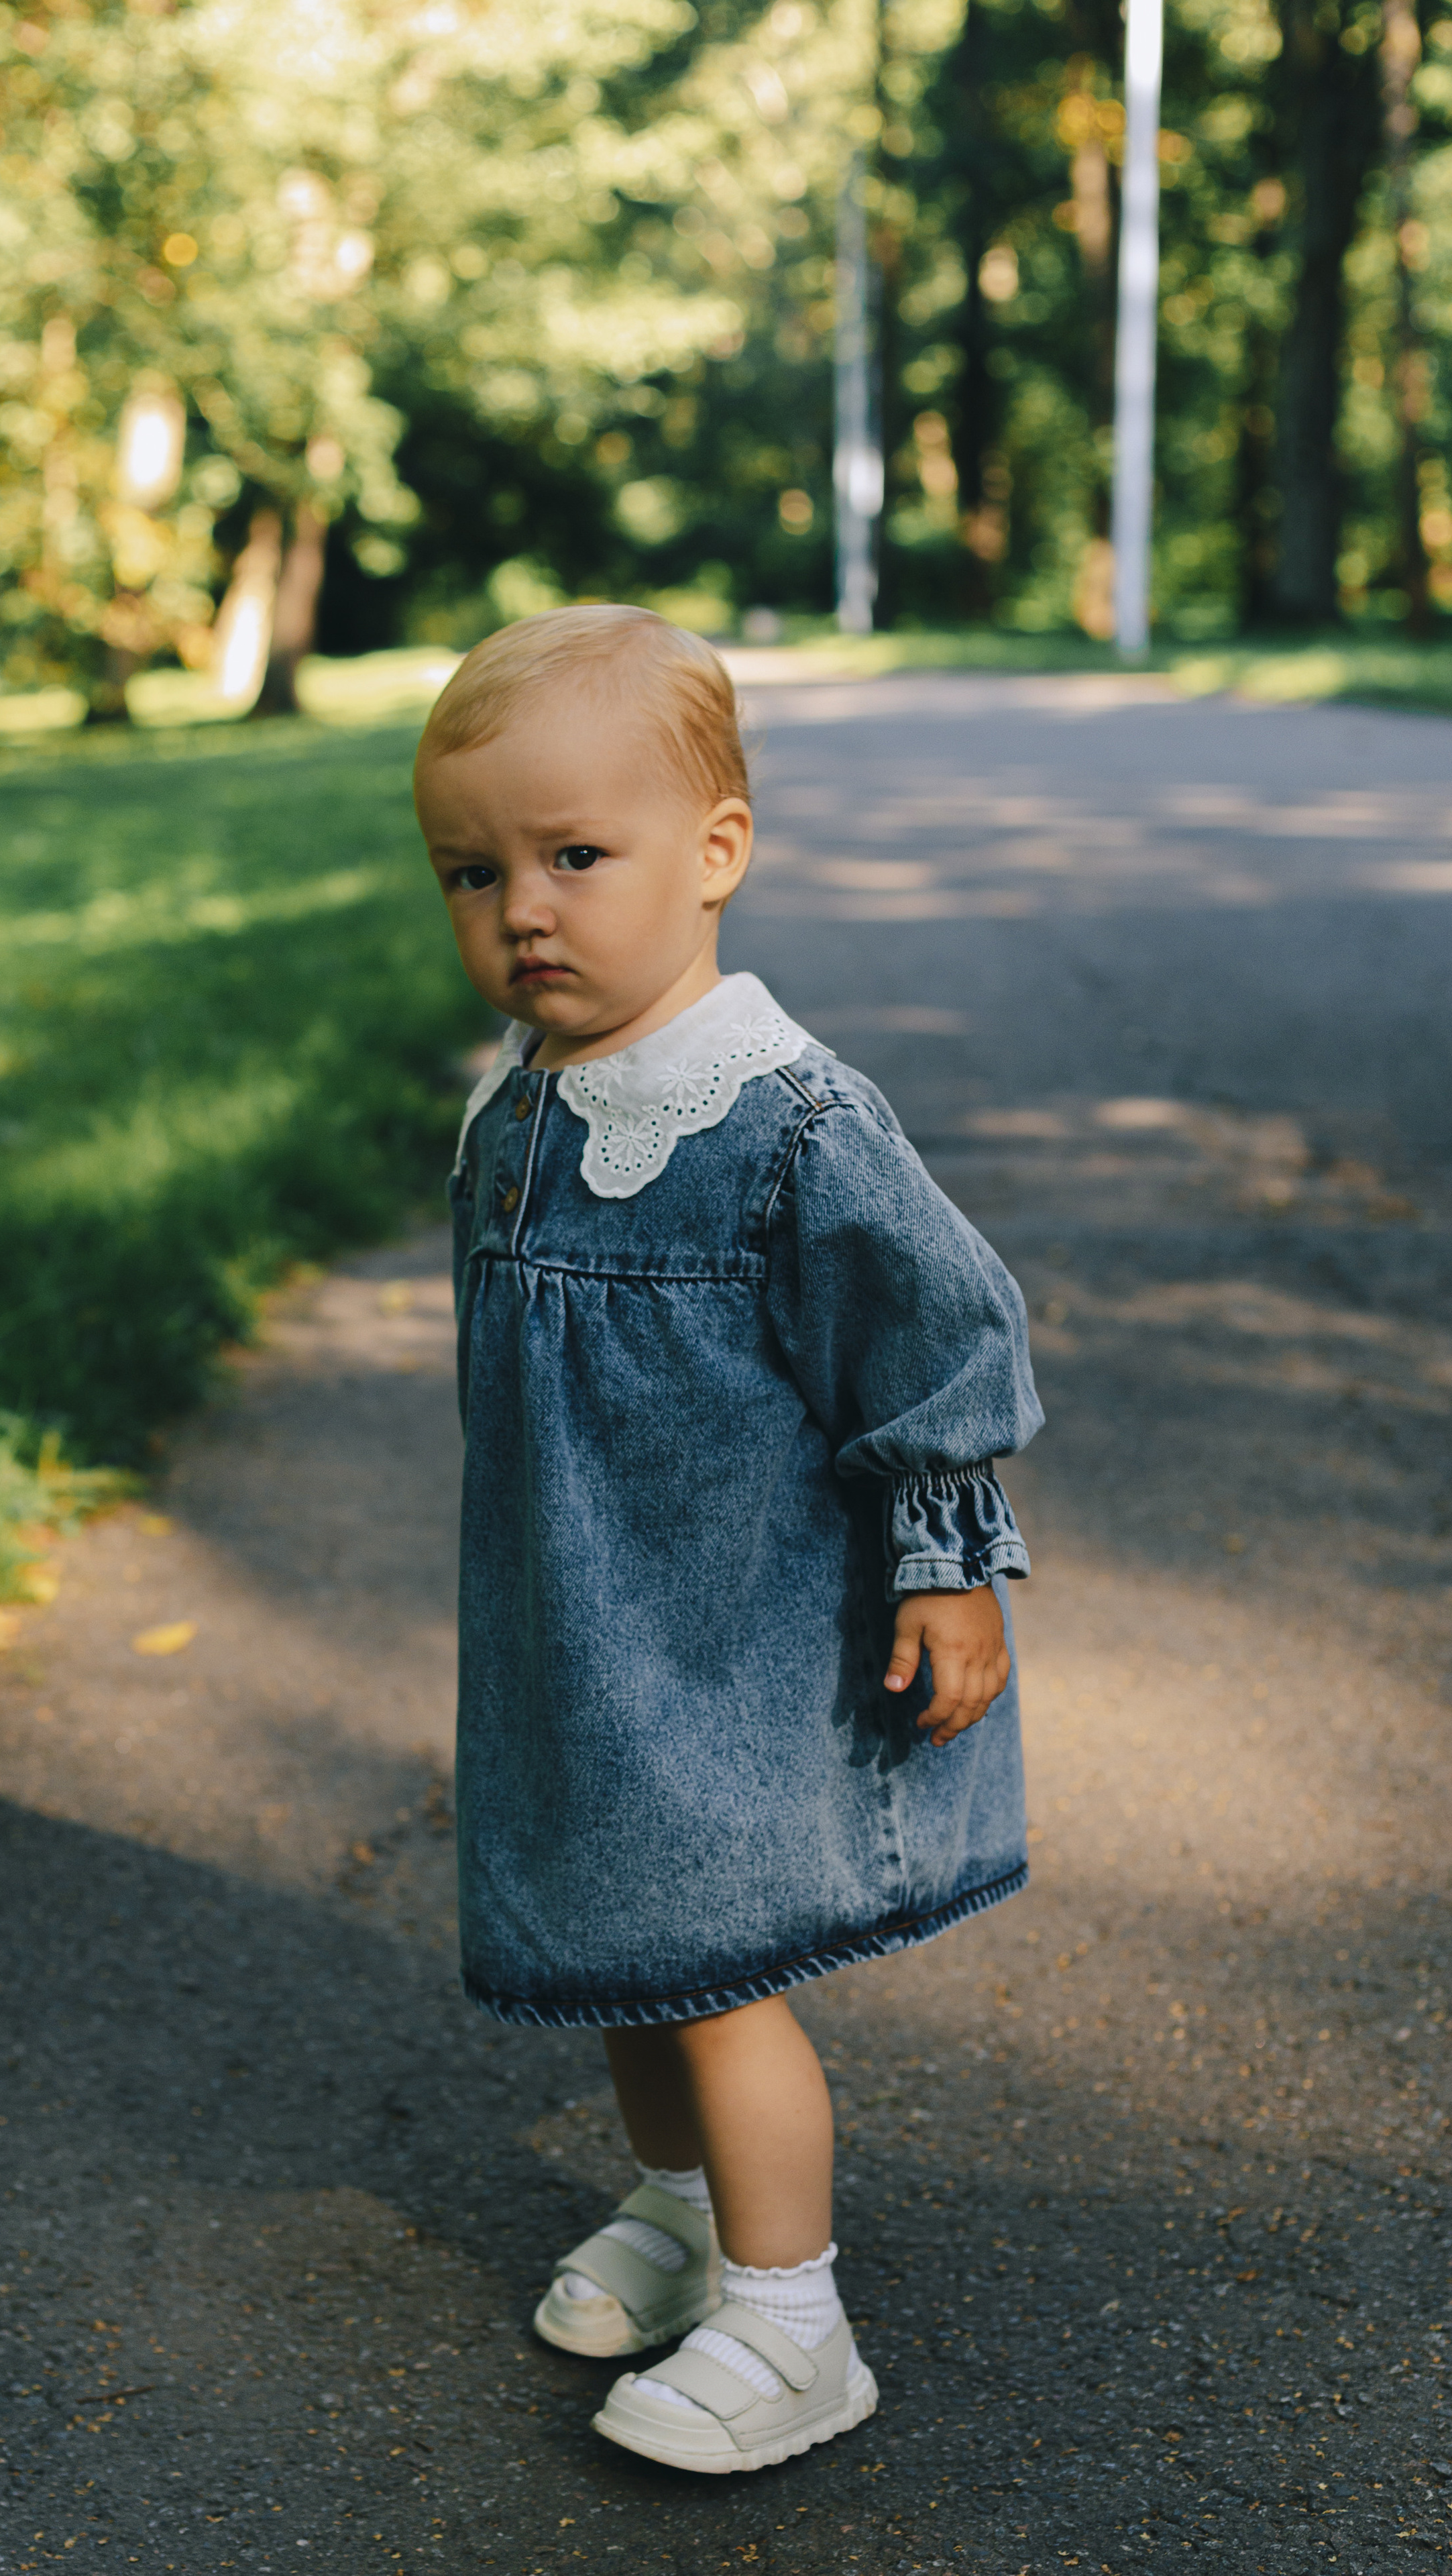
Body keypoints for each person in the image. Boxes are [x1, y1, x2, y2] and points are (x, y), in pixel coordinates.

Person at [414, 605, 1042, 2475]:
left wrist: (949, 1561)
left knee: (721, 1970)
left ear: (716, 856)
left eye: (574, 858)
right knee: (620, 1954)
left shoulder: (788, 1128)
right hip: (577, 1636)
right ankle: (682, 2216)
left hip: (738, 1643)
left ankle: (795, 2317)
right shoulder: (522, 1108)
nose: (522, 910)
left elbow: (941, 1348)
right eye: (475, 871)